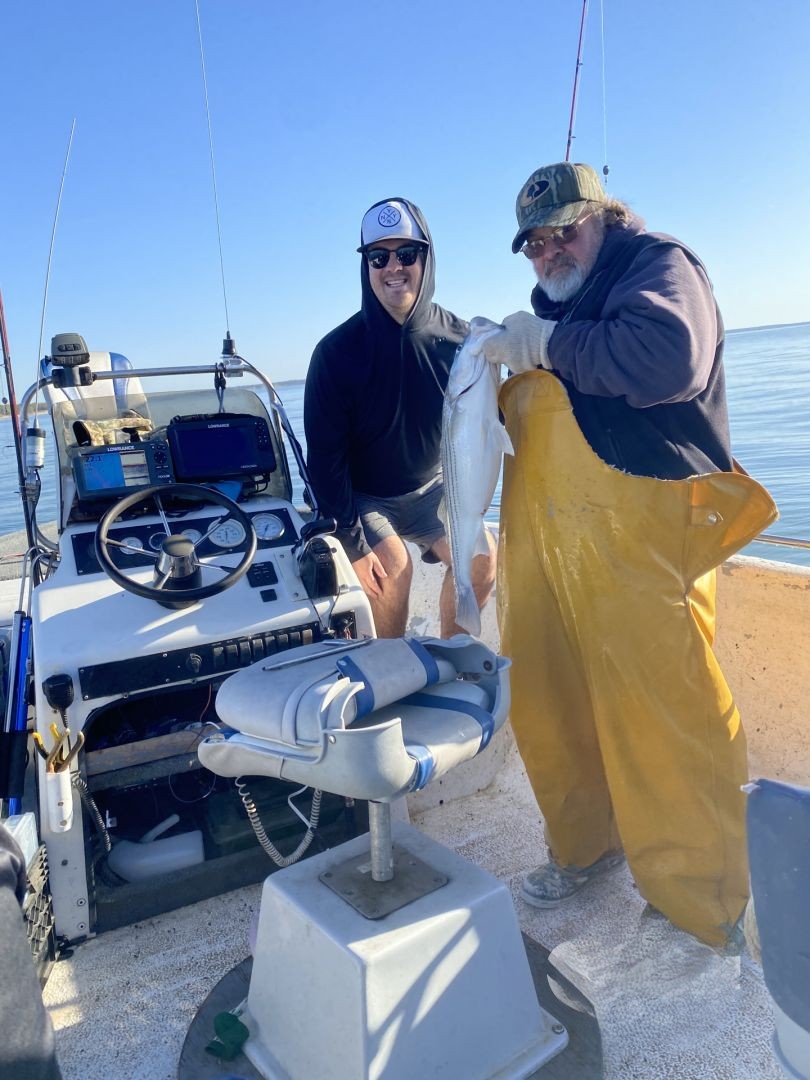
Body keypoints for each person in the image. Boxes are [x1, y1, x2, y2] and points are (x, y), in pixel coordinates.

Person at [482, 161, 777, 948]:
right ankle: (586, 848)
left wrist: (545, 342)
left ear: (605, 217)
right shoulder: (558, 304)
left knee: (664, 718)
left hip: (645, 544)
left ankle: (700, 897)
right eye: (536, 244)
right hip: (554, 550)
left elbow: (665, 358)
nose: (551, 252)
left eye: (565, 231)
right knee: (551, 701)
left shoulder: (659, 269)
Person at [304, 197, 497, 637]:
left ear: (426, 259)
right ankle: (390, 670)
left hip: (434, 489)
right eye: (379, 256)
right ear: (366, 266)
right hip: (366, 497)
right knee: (393, 566)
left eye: (406, 254)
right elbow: (325, 461)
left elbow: (490, 424)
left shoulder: (463, 342)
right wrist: (353, 543)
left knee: (483, 561)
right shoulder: (335, 354)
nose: (393, 267)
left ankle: (451, 659)